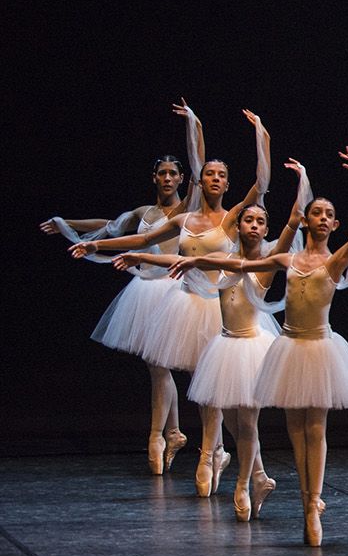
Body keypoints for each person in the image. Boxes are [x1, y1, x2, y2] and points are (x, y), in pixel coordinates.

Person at [174, 149, 348, 545]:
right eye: (313, 212)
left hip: (319, 349)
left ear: (334, 224)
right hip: (287, 346)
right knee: (294, 432)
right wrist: (193, 263)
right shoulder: (286, 258)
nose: (319, 217)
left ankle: (312, 506)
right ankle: (306, 500)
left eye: (326, 214)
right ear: (307, 219)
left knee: (314, 429)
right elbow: (243, 267)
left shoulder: (335, 261)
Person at [69, 104, 269, 490]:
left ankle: (213, 454)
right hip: (188, 306)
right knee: (199, 386)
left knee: (214, 389)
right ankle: (214, 453)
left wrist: (261, 134)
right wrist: (99, 247)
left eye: (220, 175)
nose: (213, 178)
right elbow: (143, 240)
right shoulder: (183, 219)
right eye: (209, 173)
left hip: (221, 309)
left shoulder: (232, 218)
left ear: (227, 184)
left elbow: (261, 184)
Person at [119, 188, 302, 518]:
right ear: (239, 226)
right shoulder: (225, 260)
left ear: (265, 229)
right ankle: (257, 475)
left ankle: (244, 484)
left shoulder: (268, 262)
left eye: (260, 222)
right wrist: (142, 257)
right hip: (226, 347)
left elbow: (290, 226)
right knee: (231, 421)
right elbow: (183, 259)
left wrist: (300, 183)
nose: (254, 226)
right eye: (248, 220)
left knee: (246, 423)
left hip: (251, 350)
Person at [43, 103, 199, 474]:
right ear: (154, 177)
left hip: (173, 292)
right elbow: (111, 226)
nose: (166, 178)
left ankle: (157, 435)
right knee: (156, 368)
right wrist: (69, 222)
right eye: (161, 173)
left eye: (172, 173)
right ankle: (172, 432)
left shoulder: (187, 211)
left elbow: (199, 166)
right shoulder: (144, 212)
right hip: (145, 291)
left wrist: (194, 125)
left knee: (161, 367)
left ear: (180, 179)